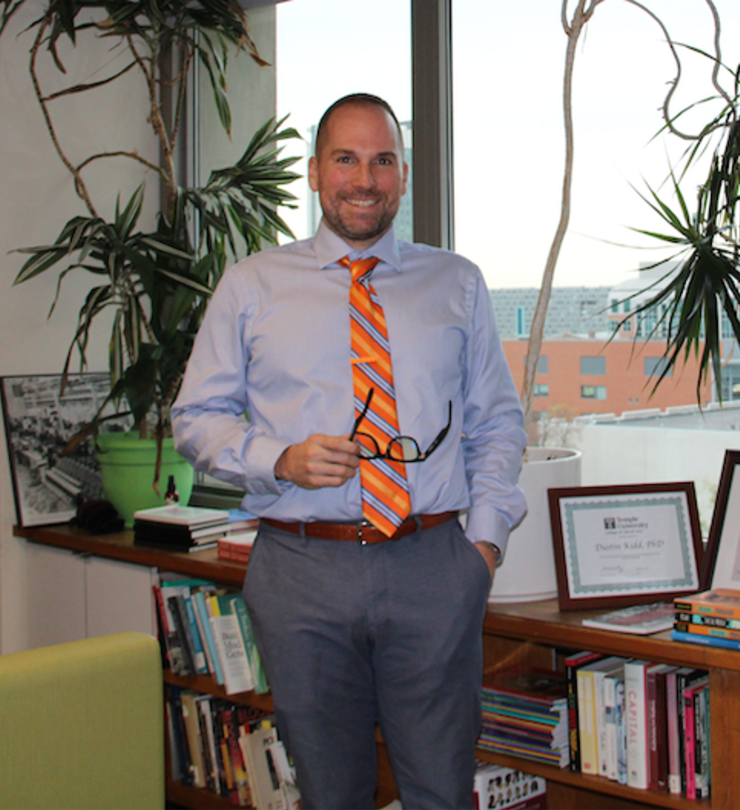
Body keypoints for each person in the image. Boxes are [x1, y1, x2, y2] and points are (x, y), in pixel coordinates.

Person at [172, 93, 526, 810]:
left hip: (432, 564)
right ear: (312, 173)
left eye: (382, 160)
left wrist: (481, 548)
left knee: (441, 791)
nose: (364, 179)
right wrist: (278, 458)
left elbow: (497, 422)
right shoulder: (251, 286)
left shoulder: (455, 282)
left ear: (402, 175)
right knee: (330, 793)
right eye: (346, 159)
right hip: (301, 568)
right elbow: (196, 420)